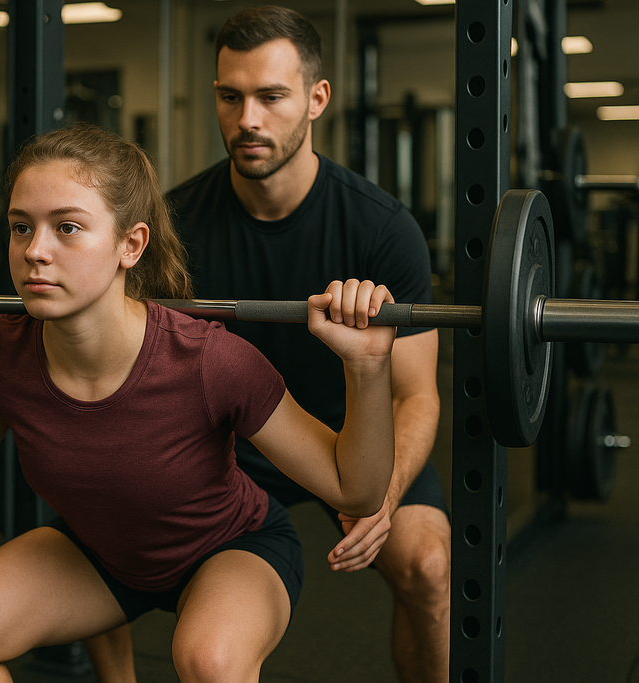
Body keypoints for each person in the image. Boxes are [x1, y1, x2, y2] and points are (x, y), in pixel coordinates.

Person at [0, 123, 398, 682]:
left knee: (209, 662)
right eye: (21, 227)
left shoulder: (210, 361)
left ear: (131, 245)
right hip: (102, 555)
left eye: (67, 227)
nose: (34, 251)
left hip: (230, 549)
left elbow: (356, 490)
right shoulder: (5, 350)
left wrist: (367, 367)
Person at [84, 6, 450, 683]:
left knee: (428, 565)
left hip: (353, 434)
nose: (247, 118)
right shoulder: (174, 226)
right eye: (231, 96)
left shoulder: (382, 229)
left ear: (316, 99)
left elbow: (416, 395)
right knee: (94, 520)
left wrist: (385, 492)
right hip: (226, 440)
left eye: (271, 97)